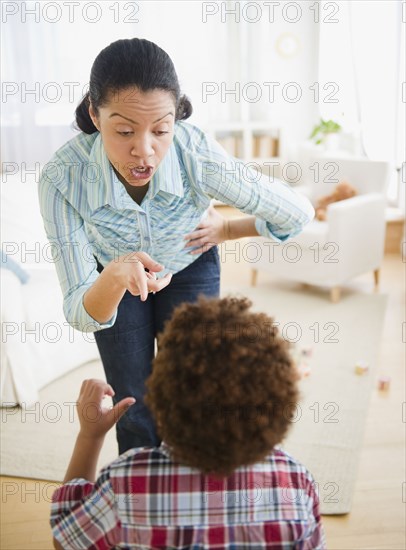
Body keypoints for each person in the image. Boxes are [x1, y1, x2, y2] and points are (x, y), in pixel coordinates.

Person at [39, 38, 315, 455]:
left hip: (190, 267)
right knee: (133, 402)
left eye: (161, 130)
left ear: (176, 121)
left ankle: (194, 488)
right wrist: (114, 275)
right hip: (113, 284)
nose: (144, 150)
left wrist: (230, 229)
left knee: (195, 396)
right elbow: (80, 311)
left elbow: (297, 213)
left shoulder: (196, 152)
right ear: (95, 115)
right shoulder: (63, 178)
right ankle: (140, 500)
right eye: (124, 130)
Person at [50, 296, 326, 549]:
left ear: (160, 393)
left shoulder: (125, 483)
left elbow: (67, 540)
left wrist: (90, 436)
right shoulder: (295, 482)